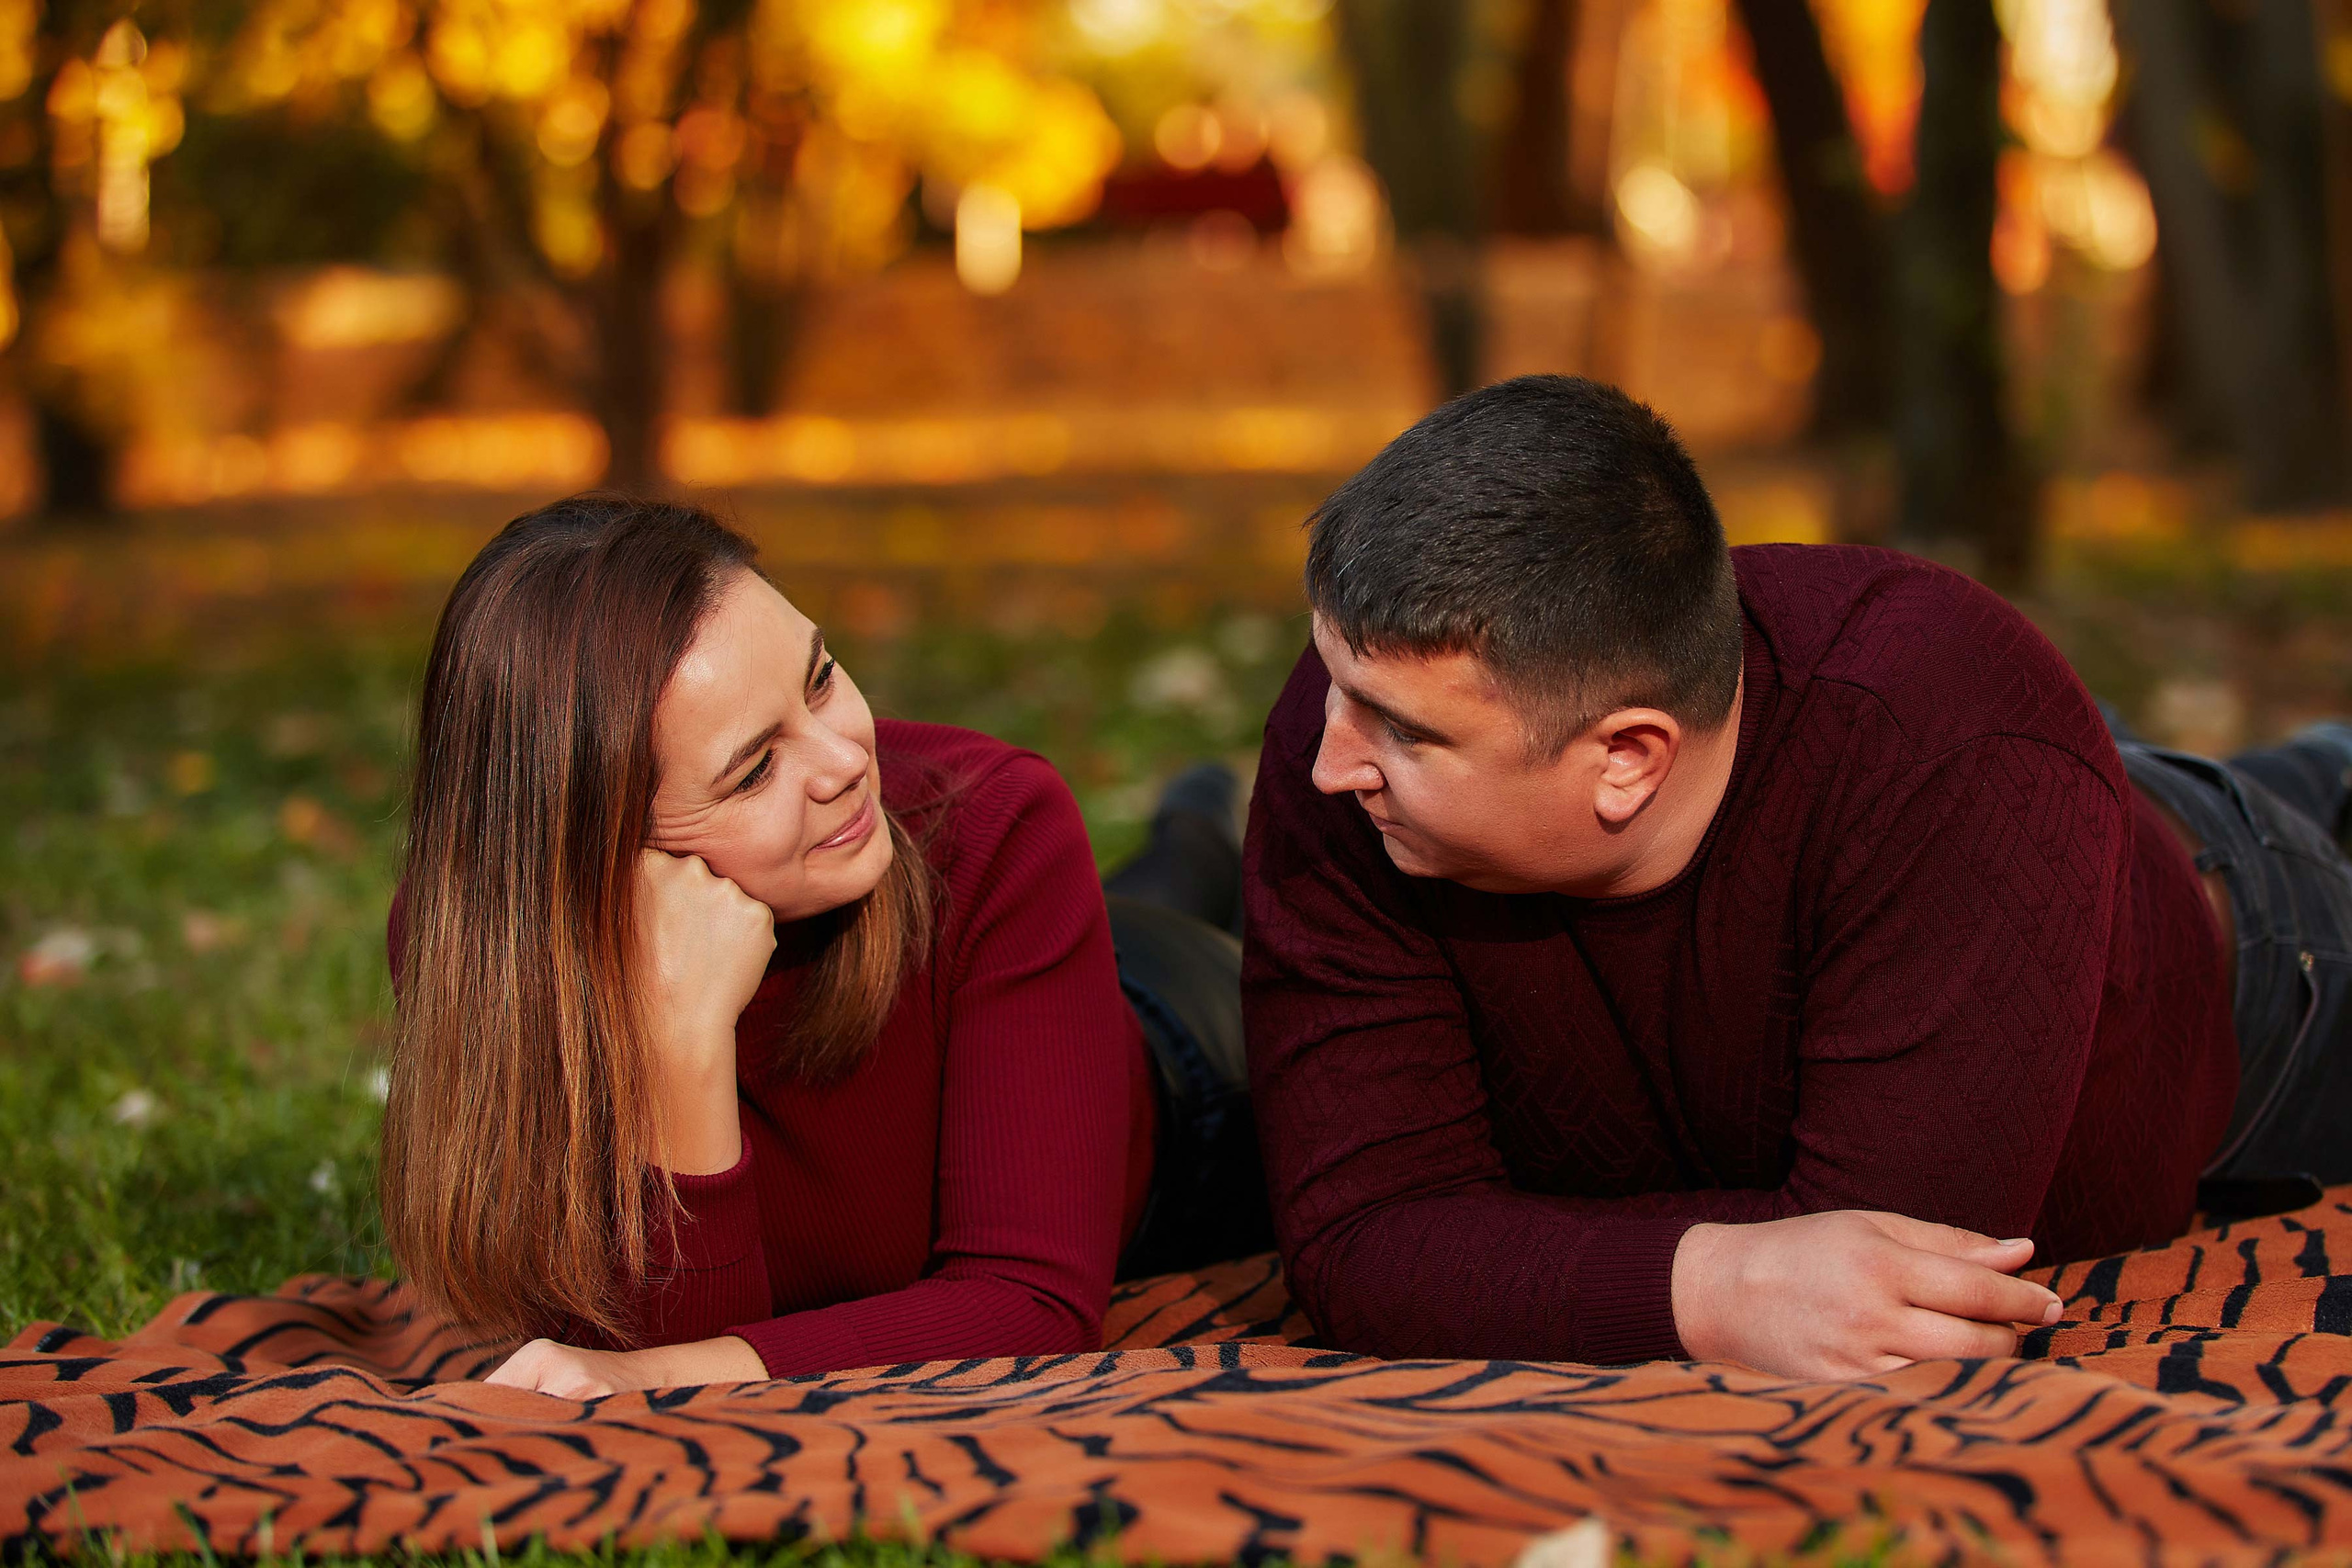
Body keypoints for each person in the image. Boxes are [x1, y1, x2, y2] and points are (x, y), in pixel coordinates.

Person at [1241, 375, 2352, 1382]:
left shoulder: (1958, 747)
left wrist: (1515, 1249)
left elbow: (1896, 1279)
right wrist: (1721, 1284)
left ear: (1626, 759)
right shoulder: (1362, 705)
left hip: (2242, 947)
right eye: (1335, 685)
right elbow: (1359, 1243)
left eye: (1400, 735)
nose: (1326, 759)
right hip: (1950, 810)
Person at [380, 494, 1268, 1398]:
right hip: (1005, 957)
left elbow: (1028, 1303)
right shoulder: (483, 953)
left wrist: (644, 1373)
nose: (845, 761)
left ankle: (1198, 831)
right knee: (1137, 896)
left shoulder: (996, 821)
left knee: (1169, 908)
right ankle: (1188, 838)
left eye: (820, 679)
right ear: (598, 851)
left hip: (1180, 1066)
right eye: (756, 767)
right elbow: (638, 1332)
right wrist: (681, 1043)